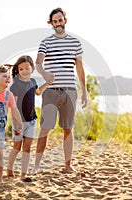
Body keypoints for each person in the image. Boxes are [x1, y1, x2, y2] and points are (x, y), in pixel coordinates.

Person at [33, 8, 88, 174]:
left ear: (65, 21)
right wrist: (44, 73)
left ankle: (67, 165)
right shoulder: (46, 42)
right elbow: (38, 63)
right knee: (45, 128)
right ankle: (36, 166)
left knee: (68, 128)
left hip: (70, 91)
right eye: (55, 21)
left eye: (60, 20)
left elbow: (79, 68)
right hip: (51, 91)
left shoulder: (75, 43)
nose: (58, 24)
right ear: (51, 24)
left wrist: (84, 90)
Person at [6, 55, 51, 182]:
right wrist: (16, 124)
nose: (24, 71)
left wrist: (47, 83)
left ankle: (23, 175)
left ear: (32, 68)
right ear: (18, 71)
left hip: (32, 121)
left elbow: (38, 92)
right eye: (21, 69)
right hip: (19, 122)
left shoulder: (33, 82)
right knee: (17, 147)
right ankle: (9, 168)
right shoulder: (16, 86)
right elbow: (13, 107)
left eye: (27, 68)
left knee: (27, 148)